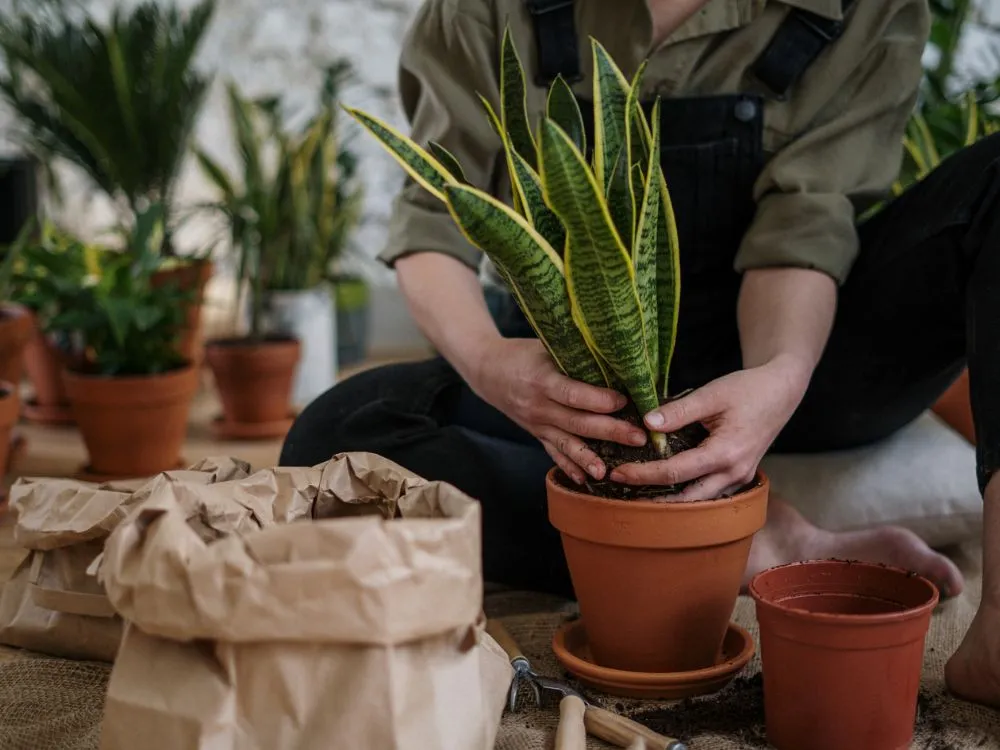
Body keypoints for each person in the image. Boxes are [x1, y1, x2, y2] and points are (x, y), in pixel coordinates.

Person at [281, 0, 1000, 706]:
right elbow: (435, 224)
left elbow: (803, 227)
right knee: (337, 438)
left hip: (808, 359)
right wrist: (493, 365)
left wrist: (780, 375)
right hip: (587, 385)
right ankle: (752, 543)